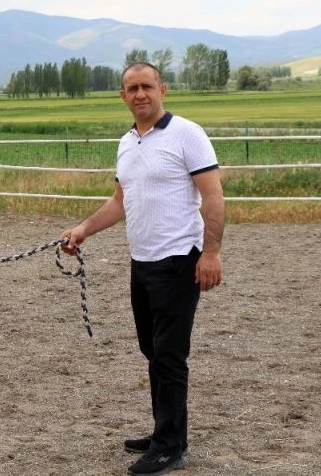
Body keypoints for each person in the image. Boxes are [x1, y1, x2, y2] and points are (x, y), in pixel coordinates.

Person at [60, 62, 224, 475]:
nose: (140, 94)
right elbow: (119, 202)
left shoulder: (187, 134)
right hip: (142, 262)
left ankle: (171, 446)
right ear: (123, 96)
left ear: (162, 89)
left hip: (178, 261)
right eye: (131, 88)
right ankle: (165, 431)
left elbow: (214, 197)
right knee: (152, 351)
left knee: (169, 355)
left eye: (146, 86)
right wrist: (83, 229)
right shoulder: (127, 143)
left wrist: (211, 253)